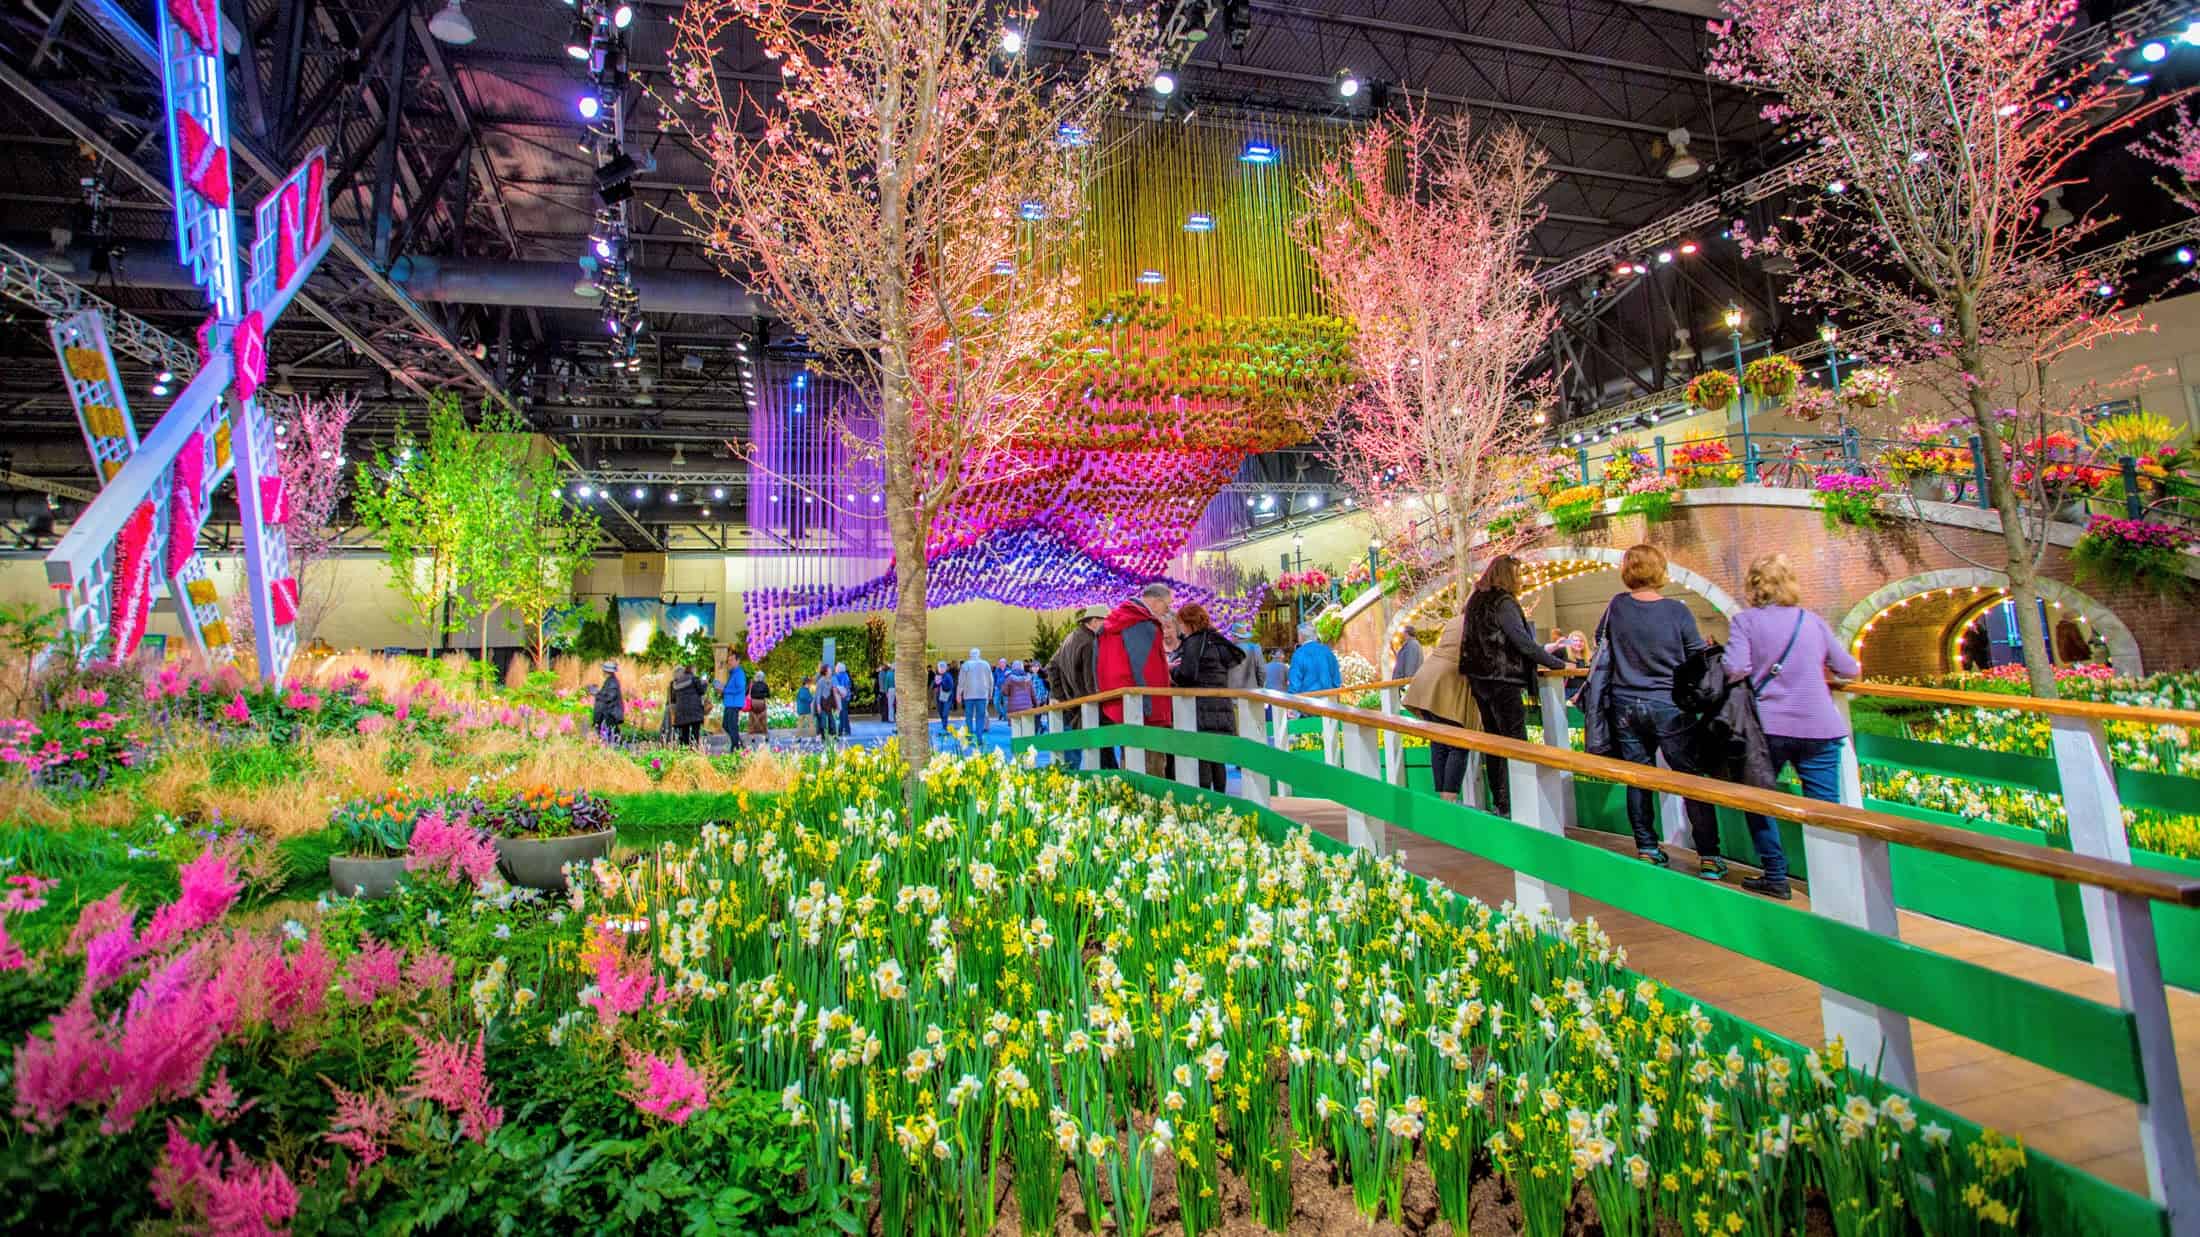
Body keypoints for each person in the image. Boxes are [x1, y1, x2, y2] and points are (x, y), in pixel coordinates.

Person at [1583, 543, 1726, 878]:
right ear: (1660, 569)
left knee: (1639, 776)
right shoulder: (1677, 611)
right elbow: (1695, 654)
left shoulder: (1618, 606)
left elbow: (1599, 639)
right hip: (1670, 705)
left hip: (1625, 705)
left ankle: (1647, 846)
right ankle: (1708, 855)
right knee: (1690, 779)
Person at [1726, 553, 1861, 900]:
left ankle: (1775, 873)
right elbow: (1848, 668)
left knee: (1758, 799)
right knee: (1824, 807)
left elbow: (1735, 667)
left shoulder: (1746, 622)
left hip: (1768, 727)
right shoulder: (1811, 622)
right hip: (1820, 725)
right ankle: (1831, 883)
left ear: (1754, 585)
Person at [1460, 555, 1576, 817]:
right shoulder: (1503, 602)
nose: (1522, 580)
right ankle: (1520, 803)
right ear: (1508, 576)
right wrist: (1557, 664)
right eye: (1519, 575)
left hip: (1480, 680)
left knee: (1493, 740)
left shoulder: (1475, 601)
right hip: (1503, 679)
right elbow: (1522, 642)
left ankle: (1502, 802)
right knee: (1514, 741)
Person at [1097, 582, 1176, 776]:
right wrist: (1147, 705)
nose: (1167, 611)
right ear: (1156, 601)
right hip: (1148, 709)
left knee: (1130, 759)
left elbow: (1097, 664)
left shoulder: (1113, 623)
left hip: (1121, 703)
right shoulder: (1144, 624)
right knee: (1153, 765)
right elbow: (1144, 667)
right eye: (1167, 606)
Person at [1172, 603, 1248, 791]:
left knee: (1203, 758)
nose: (1180, 628)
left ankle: (1207, 804)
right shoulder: (1217, 640)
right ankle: (1221, 799)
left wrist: (1172, 671)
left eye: (1181, 623)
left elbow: (1187, 675)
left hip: (1200, 707)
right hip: (1221, 704)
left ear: (1189, 623)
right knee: (1217, 759)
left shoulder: (1194, 642)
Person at [1404, 613, 1479, 800]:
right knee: (1457, 743)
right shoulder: (1477, 621)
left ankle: (1443, 802)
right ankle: (1449, 799)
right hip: (1447, 683)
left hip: (1429, 678)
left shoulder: (1455, 621)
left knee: (1439, 743)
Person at [1048, 606, 1106, 770]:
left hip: (1068, 706)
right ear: (1095, 621)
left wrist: (1060, 696)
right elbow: (1090, 681)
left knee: (1069, 756)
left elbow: (1051, 666)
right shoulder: (1089, 642)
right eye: (1105, 622)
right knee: (1089, 756)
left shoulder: (1071, 637)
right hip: (1083, 707)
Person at [1286, 622, 1342, 695]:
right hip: (1329, 697)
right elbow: (1336, 678)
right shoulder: (1327, 651)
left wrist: (1292, 698)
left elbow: (1295, 684)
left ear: (1301, 636)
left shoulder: (1298, 654)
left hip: (1308, 700)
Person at [957, 648, 995, 741]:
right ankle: (979, 738)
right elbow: (991, 680)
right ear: (979, 654)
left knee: (969, 717)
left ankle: (969, 736)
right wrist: (990, 692)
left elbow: (961, 681)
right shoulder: (986, 664)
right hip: (982, 694)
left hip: (968, 695)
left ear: (970, 655)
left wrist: (958, 694)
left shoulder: (965, 665)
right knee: (980, 717)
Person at [668, 664, 708, 747]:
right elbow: (701, 691)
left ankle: (685, 751)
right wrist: (705, 683)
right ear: (692, 670)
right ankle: (694, 750)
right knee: (695, 733)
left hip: (681, 711)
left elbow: (673, 698)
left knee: (684, 733)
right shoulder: (694, 679)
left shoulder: (676, 683)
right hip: (694, 711)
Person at [590, 660, 626, 742]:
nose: (603, 672)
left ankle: (617, 748)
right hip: (608, 713)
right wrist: (597, 692)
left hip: (610, 714)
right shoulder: (610, 681)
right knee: (611, 734)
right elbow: (606, 694)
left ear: (607, 672)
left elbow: (610, 697)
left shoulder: (612, 682)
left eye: (604, 671)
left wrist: (596, 694)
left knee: (612, 735)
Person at [721, 657, 749, 750]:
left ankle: (735, 747)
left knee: (731, 726)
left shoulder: (739, 673)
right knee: (726, 725)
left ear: (738, 661)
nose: (729, 662)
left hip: (734, 703)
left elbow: (740, 687)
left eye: (732, 660)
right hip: (729, 703)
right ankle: (738, 742)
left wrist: (725, 689)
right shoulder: (733, 673)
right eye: (728, 660)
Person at [746, 668, 772, 739]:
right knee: (763, 716)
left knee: (752, 717)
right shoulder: (765, 685)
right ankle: (764, 732)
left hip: (753, 703)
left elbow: (746, 693)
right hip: (761, 703)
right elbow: (768, 695)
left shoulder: (752, 685)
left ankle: (752, 733)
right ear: (763, 677)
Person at [832, 662, 854, 736]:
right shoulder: (846, 676)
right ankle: (847, 730)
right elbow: (848, 686)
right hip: (846, 697)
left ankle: (841, 730)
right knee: (845, 713)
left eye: (836, 667)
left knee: (841, 714)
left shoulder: (837, 676)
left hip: (840, 697)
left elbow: (837, 686)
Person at [933, 661, 956, 728]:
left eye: (943, 667)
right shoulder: (937, 676)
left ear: (945, 668)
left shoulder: (948, 676)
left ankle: (944, 726)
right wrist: (935, 685)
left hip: (947, 697)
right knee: (940, 712)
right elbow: (934, 685)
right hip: (939, 697)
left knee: (945, 713)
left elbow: (951, 686)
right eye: (940, 667)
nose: (941, 669)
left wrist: (941, 683)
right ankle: (944, 724)